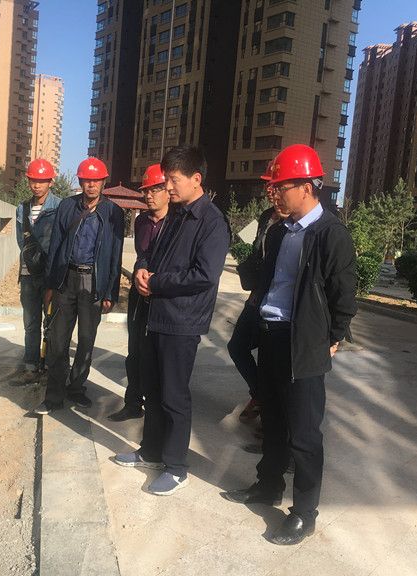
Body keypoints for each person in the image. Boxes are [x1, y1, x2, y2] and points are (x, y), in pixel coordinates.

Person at [221, 144, 357, 545]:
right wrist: (254, 242)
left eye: (281, 186)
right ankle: (267, 486)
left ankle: (304, 513)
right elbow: (260, 279)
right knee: (274, 421)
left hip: (304, 346)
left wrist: (332, 338)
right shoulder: (280, 231)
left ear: (307, 187)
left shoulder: (330, 234)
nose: (275, 193)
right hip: (271, 336)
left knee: (304, 434)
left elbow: (344, 295)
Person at [113, 146, 230, 496]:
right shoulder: (177, 215)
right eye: (166, 179)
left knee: (174, 396)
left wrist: (158, 283)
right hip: (157, 315)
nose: (168, 186)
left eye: (173, 180)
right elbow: (150, 253)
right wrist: (141, 270)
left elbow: (205, 275)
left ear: (196, 179)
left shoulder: (212, 222)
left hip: (183, 320)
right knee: (152, 388)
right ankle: (151, 451)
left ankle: (177, 467)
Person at [33, 157, 124, 415]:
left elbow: (115, 255)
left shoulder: (113, 212)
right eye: (86, 180)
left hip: (93, 283)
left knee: (86, 340)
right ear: (80, 181)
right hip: (66, 279)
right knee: (57, 340)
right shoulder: (67, 206)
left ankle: (76, 389)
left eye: (96, 180)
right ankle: (53, 397)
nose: (91, 185)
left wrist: (110, 292)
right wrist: (50, 284)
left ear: (103, 182)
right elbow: (55, 247)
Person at [228, 158, 289, 425]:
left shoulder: (294, 223)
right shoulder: (266, 217)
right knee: (237, 347)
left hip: (278, 304)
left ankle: (271, 414)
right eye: (268, 186)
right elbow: (257, 252)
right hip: (257, 297)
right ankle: (261, 395)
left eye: (275, 185)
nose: (270, 191)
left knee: (269, 360)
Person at [108, 164, 170, 422]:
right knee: (134, 351)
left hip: (163, 296)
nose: (149, 195)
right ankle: (133, 403)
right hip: (139, 295)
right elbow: (142, 254)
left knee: (159, 356)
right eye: (146, 190)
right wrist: (140, 271)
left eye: (155, 189)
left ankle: (161, 408)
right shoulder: (142, 221)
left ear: (168, 190)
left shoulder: (177, 223)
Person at [7, 158, 61, 385]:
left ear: (51, 182)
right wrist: (33, 260)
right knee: (31, 323)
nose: (37, 185)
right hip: (29, 275)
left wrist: (52, 274)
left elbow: (60, 242)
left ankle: (49, 366)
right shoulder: (22, 208)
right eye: (33, 180)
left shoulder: (59, 207)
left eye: (42, 181)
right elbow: (22, 241)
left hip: (50, 276)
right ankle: (31, 366)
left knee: (52, 323)